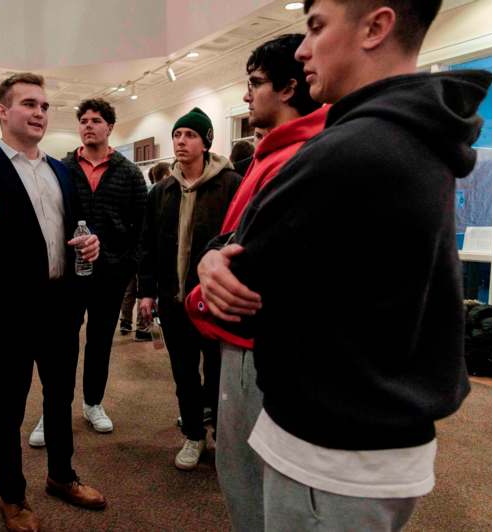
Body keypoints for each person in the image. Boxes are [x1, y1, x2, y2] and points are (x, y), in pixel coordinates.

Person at [194, 1, 492, 529]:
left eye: (315, 27)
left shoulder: (350, 150)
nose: (303, 49)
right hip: (373, 428)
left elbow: (239, 286)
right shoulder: (413, 133)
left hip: (331, 446)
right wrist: (218, 253)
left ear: (376, 26)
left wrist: (212, 262)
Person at [0, 72, 106, 532]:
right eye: (29, 104)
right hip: (12, 312)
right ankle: (12, 497)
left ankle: (61, 476)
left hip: (62, 305)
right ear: (3, 111)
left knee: (59, 399)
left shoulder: (61, 170)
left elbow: (77, 228)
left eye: (44, 106)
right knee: (9, 408)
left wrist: (90, 242)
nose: (39, 113)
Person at [184, 33, 325, 531]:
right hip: (243, 340)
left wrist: (206, 283)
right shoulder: (272, 152)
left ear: (289, 88)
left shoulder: (300, 156)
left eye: (255, 83)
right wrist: (210, 262)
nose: (246, 96)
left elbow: (248, 263)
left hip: (256, 343)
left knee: (253, 480)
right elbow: (228, 239)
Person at [26, 99, 147, 446]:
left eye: (96, 120)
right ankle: (53, 410)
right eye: (83, 120)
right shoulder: (61, 167)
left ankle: (93, 402)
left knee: (100, 343)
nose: (88, 125)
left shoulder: (129, 173)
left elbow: (141, 228)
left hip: (110, 275)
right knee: (61, 344)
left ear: (109, 127)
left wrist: (127, 265)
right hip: (68, 274)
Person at [137, 107, 240, 471]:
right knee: (183, 373)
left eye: (190, 135)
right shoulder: (161, 191)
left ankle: (222, 437)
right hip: (173, 298)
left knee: (217, 373)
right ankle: (193, 434)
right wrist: (146, 291)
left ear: (206, 141)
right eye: (177, 135)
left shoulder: (231, 185)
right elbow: (147, 244)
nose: (181, 141)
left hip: (212, 300)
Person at [119, 161, 171, 341]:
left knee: (130, 287)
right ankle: (143, 327)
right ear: (165, 175)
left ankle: (125, 320)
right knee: (143, 288)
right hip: (143, 249)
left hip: (130, 247)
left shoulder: (149, 192)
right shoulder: (161, 194)